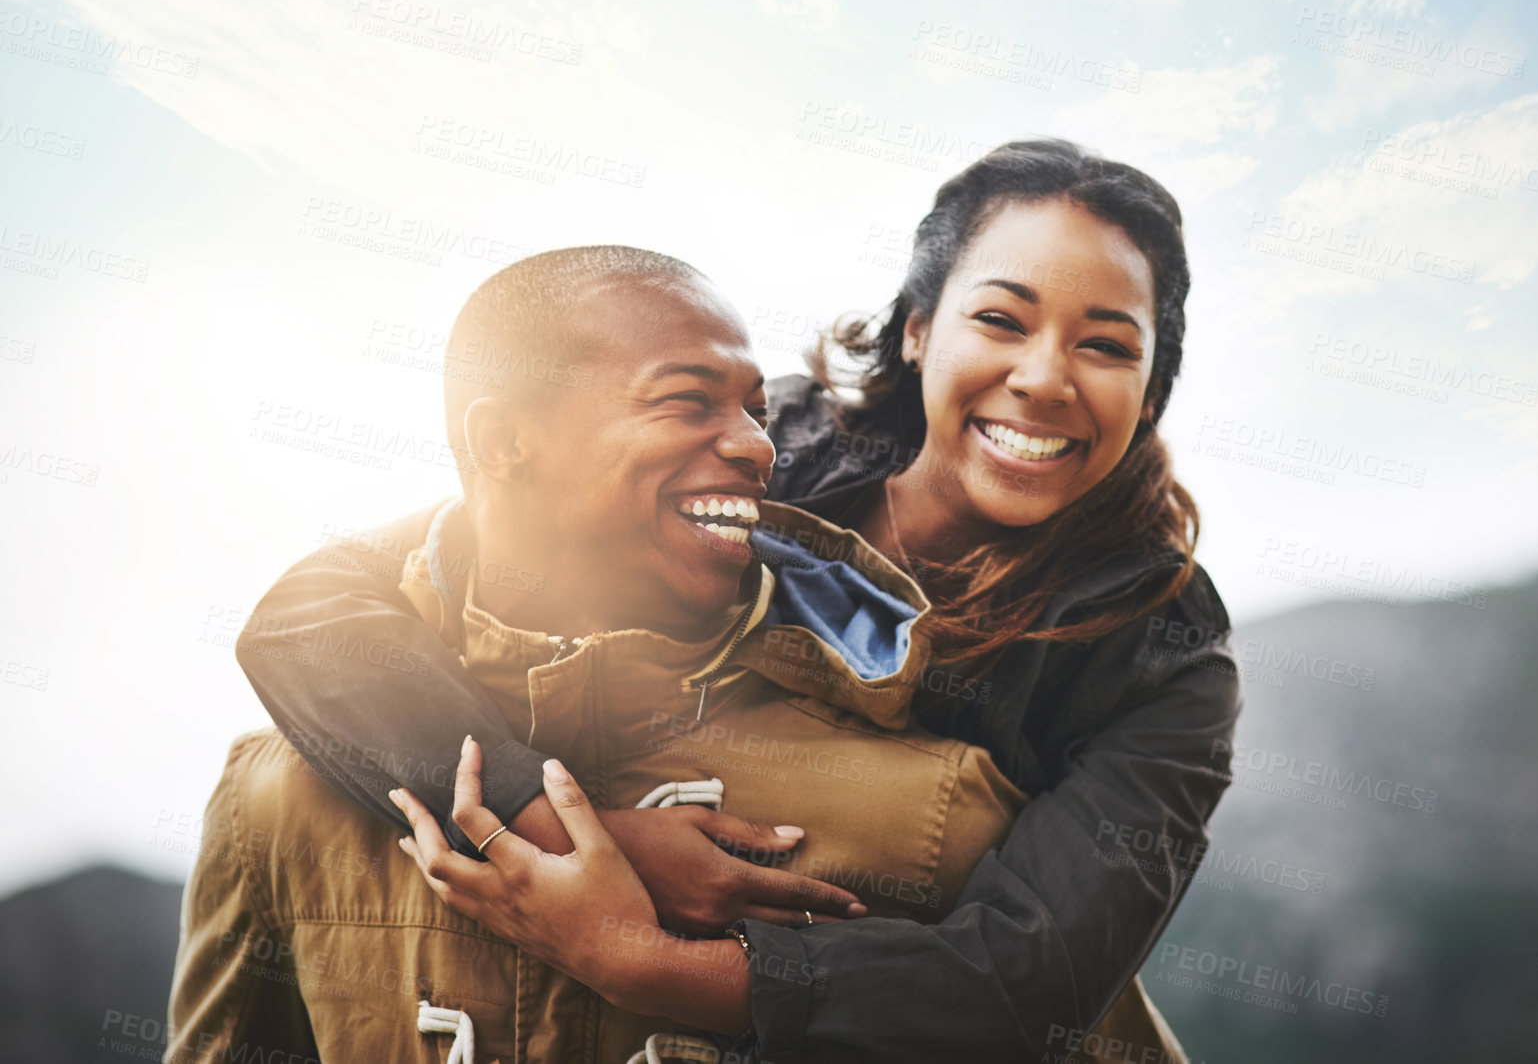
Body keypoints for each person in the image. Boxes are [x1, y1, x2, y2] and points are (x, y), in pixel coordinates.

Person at [229, 139, 1241, 1062]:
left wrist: (634, 955)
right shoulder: (774, 449)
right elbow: (316, 616)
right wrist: (580, 836)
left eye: (1107, 346)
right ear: (920, 331)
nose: (1043, 377)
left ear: (1150, 390)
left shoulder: (1165, 646)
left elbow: (1024, 984)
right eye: (1001, 319)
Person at [165, 247, 1062, 1064]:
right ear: (504, 443)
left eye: (755, 409)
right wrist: (557, 824)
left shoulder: (933, 809)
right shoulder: (275, 799)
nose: (758, 445)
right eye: (686, 400)